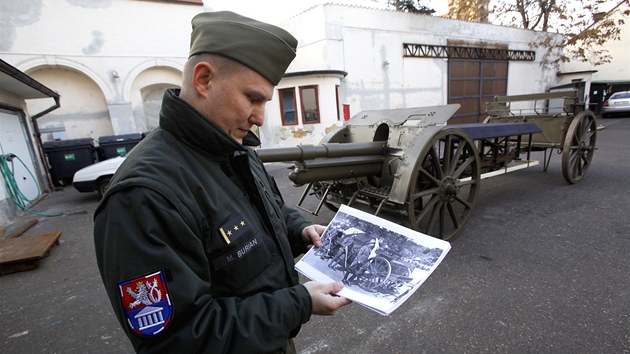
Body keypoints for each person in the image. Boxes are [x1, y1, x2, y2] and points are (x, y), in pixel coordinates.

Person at [93, 11, 351, 354]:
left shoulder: (233, 147)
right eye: (253, 98)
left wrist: (300, 230)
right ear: (203, 80)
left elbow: (265, 210)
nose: (260, 117)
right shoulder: (143, 197)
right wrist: (299, 302)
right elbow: (176, 341)